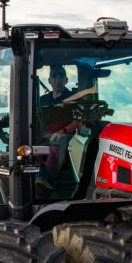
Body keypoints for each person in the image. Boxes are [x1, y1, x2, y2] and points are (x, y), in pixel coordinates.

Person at [36, 65, 78, 193]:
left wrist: (62, 131)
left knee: (57, 140)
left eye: (61, 76)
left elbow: (79, 122)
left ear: (66, 79)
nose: (57, 80)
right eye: (54, 76)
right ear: (49, 80)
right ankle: (38, 177)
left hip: (67, 135)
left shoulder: (73, 98)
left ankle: (48, 179)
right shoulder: (42, 100)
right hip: (45, 135)